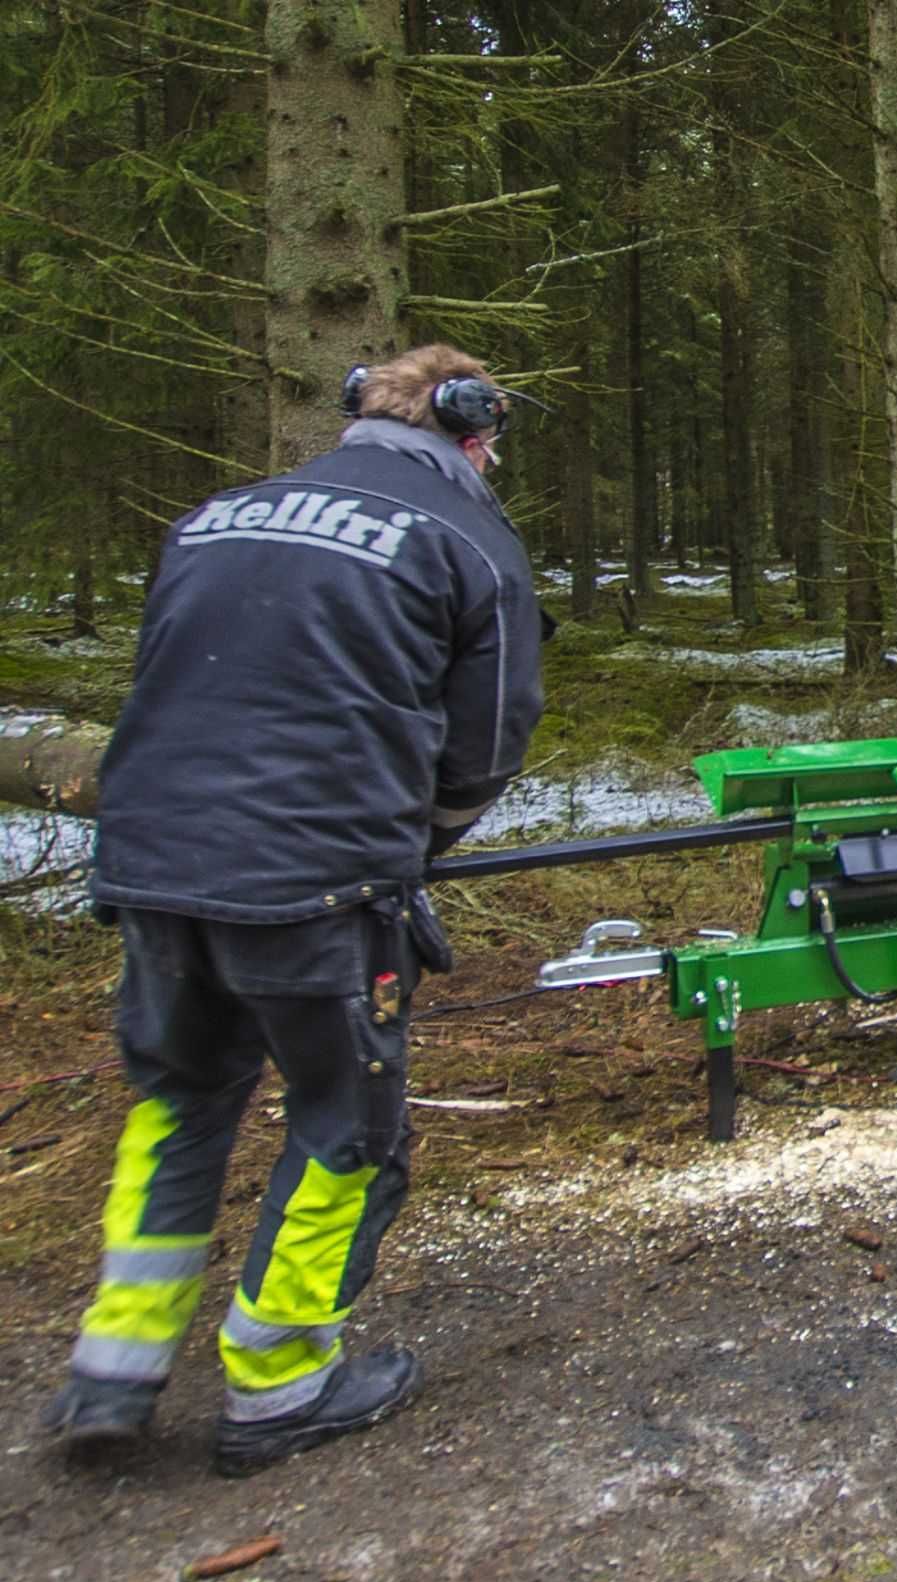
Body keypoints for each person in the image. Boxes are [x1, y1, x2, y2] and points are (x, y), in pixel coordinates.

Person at [41, 344, 549, 1476]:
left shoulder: (219, 514)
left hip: (154, 860)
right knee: (344, 1127)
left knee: (177, 1101)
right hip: (318, 880)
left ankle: (113, 1370)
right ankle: (281, 1381)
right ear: (472, 429)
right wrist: (415, 844)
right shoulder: (468, 537)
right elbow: (490, 735)